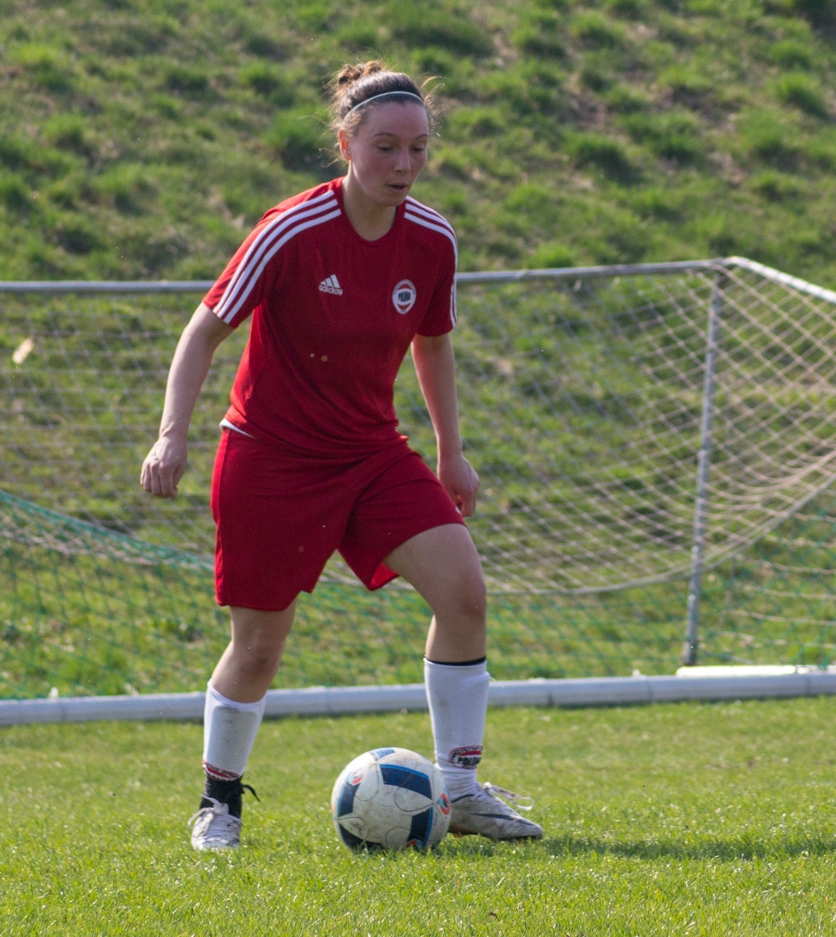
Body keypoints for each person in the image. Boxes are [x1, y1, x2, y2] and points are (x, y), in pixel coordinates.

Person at [140, 61, 542, 851]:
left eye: (418, 148)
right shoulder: (292, 229)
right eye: (386, 146)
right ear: (346, 142)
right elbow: (204, 329)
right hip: (271, 459)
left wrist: (451, 454)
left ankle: (460, 790)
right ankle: (219, 803)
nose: (403, 164)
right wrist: (171, 432)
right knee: (259, 647)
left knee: (463, 592)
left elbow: (433, 344)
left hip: (370, 454)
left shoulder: (432, 239)